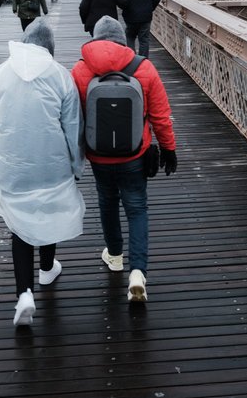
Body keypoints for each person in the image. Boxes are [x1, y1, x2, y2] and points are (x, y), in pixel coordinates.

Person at [0, 19, 85, 327]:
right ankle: (47, 270)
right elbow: (73, 126)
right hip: (52, 161)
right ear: (49, 47)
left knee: (19, 224)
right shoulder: (60, 76)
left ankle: (24, 294)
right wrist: (77, 164)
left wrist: (0, 133)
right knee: (46, 212)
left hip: (13, 164)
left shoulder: (0, 73)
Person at [71, 16, 177, 303]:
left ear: (94, 39)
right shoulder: (144, 68)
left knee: (107, 201)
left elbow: (72, 120)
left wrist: (72, 156)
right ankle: (138, 273)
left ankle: (115, 256)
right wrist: (169, 149)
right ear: (121, 39)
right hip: (135, 152)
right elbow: (160, 115)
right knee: (137, 208)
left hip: (99, 155)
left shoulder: (80, 70)